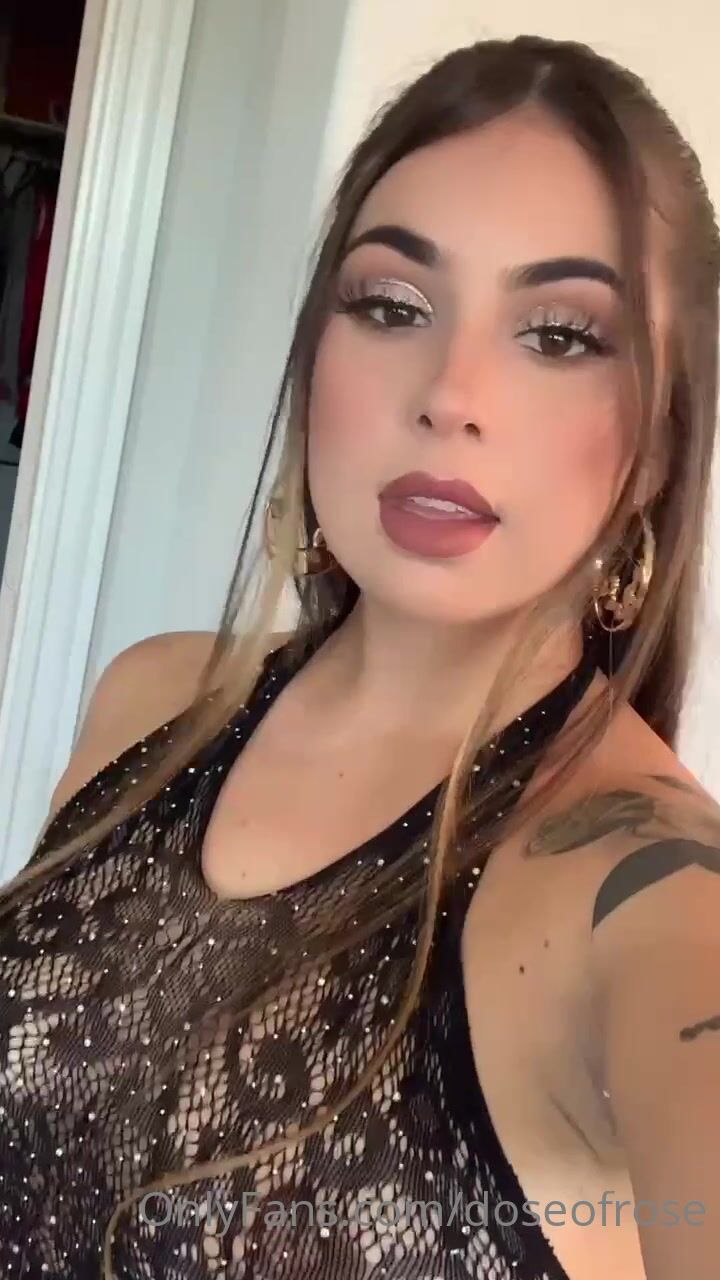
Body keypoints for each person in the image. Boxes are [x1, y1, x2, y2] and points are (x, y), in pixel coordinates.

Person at [0, 31, 718, 1280]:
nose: (450, 393)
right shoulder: (151, 699)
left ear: (659, 442)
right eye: (393, 306)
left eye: (559, 333)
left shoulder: (646, 892)